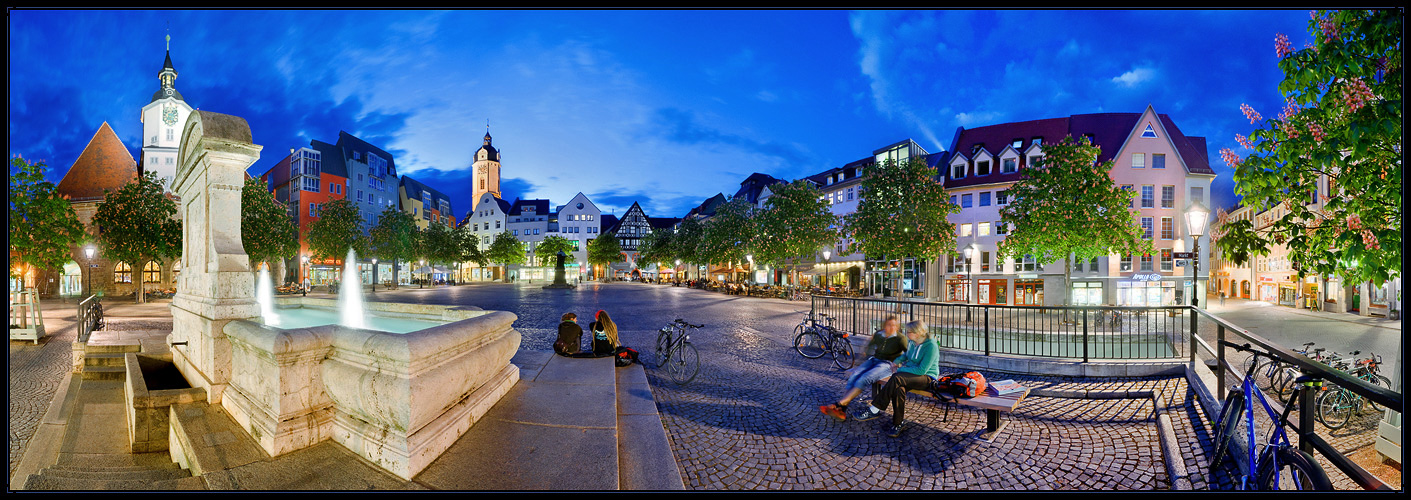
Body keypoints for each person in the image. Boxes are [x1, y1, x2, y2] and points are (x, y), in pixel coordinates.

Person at [851, 320, 939, 437]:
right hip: (910, 375)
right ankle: (898, 423)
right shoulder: (913, 342)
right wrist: (896, 362)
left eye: (909, 332)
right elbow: (906, 355)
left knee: (897, 378)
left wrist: (900, 369)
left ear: (917, 333)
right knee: (898, 388)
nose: (906, 334)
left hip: (927, 377)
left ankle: (874, 409)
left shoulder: (931, 346)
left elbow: (921, 370)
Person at [820, 316, 907, 421]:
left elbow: (908, 353)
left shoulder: (900, 338)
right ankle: (842, 409)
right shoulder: (880, 334)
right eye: (889, 325)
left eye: (894, 325)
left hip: (888, 364)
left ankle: (840, 404)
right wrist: (865, 354)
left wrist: (898, 362)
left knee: (865, 378)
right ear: (884, 326)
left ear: (897, 327)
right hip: (874, 360)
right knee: (855, 375)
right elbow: (870, 345)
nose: (891, 327)